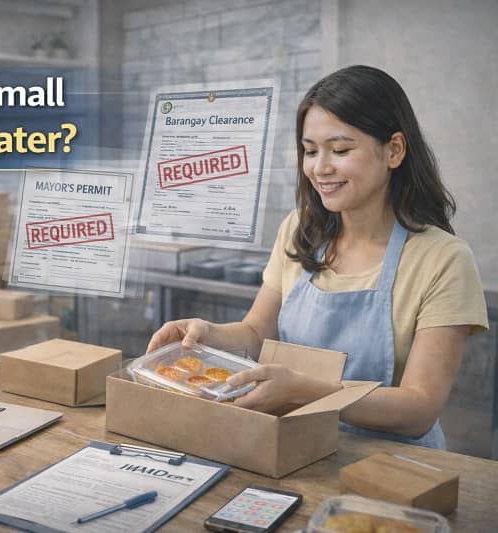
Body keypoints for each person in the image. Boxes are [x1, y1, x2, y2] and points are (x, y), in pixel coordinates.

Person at [146, 65, 489, 449]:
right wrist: (208, 334)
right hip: (295, 447)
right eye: (310, 151)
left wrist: (304, 392)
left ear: (394, 150)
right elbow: (258, 333)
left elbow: (419, 409)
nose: (320, 167)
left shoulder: (443, 260)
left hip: (394, 470)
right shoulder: (300, 230)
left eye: (340, 150)